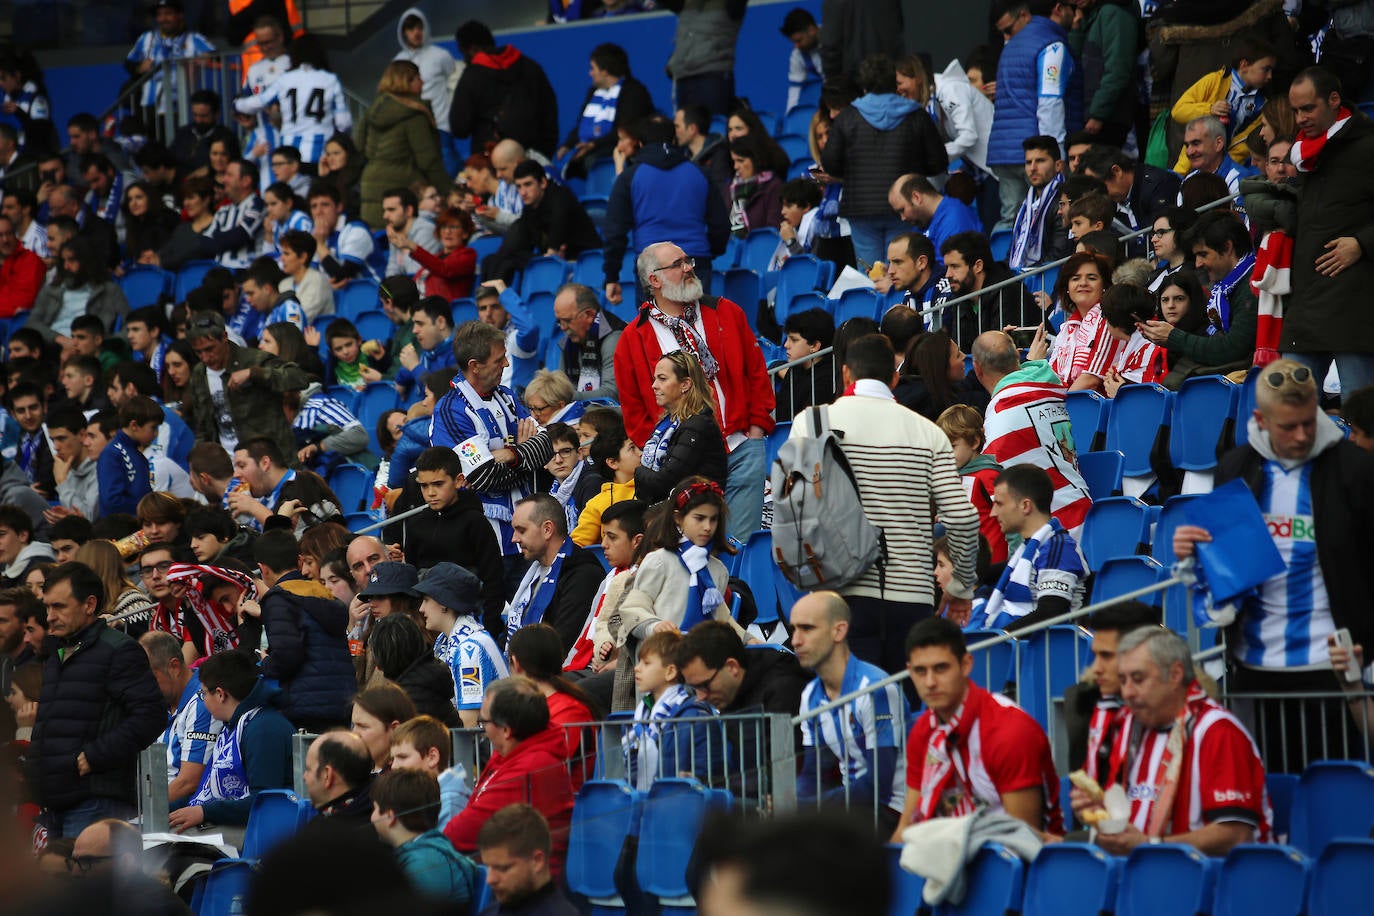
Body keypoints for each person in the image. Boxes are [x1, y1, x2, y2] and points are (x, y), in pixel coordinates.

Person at [1173, 359, 1374, 772]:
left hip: (1331, 668)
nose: (1301, 435)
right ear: (1262, 420)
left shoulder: (1355, 469)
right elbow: (1226, 565)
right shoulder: (1236, 468)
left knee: (1330, 789)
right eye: (1288, 427)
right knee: (1268, 788)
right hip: (1254, 667)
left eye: (1308, 422)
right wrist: (1193, 550)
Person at [790, 334, 980, 666]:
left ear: (846, 374)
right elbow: (962, 518)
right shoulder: (928, 433)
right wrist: (961, 587)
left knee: (852, 696)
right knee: (905, 695)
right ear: (894, 378)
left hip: (839, 594)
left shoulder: (812, 422)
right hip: (912, 596)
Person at [614, 241, 774, 541]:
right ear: (654, 280)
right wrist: (669, 453)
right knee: (697, 549)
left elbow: (757, 374)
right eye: (677, 264)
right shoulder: (632, 339)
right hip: (685, 464)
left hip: (741, 447)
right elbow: (634, 412)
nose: (688, 268)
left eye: (688, 261)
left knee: (740, 546)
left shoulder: (727, 312)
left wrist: (755, 431)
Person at [1071, 627, 1270, 855]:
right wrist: (1099, 813)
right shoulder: (1130, 726)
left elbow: (1236, 835)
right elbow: (1129, 820)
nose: (1127, 693)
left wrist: (1150, 846)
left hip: (1203, 874)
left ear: (1175, 675)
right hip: (1139, 868)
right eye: (1123, 681)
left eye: (1138, 679)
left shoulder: (1218, 732)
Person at [25, 563, 164, 839]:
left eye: (59, 606)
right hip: (55, 800)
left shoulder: (118, 650)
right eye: (47, 607)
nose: (50, 617)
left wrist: (94, 756)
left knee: (87, 869)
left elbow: (151, 715)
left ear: (89, 605)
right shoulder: (58, 653)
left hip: (96, 801)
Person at [893, 616, 1060, 839]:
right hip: (948, 849)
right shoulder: (924, 729)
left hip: (1014, 853)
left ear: (966, 664)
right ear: (909, 671)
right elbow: (907, 826)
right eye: (920, 671)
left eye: (941, 668)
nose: (930, 682)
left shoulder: (1009, 730)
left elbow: (1022, 841)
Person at [430, 321, 557, 597]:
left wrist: (512, 454)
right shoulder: (452, 411)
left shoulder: (507, 397)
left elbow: (548, 444)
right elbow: (484, 477)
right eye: (499, 360)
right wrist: (526, 456)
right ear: (475, 366)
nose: (507, 365)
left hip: (526, 536)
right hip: (488, 546)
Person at [1282, 66, 1374, 394]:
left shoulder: (1368, 146)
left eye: (1308, 108)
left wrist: (1362, 243)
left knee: (1360, 413)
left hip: (1355, 304)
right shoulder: (1305, 155)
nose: (1300, 118)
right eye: (1295, 111)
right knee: (1288, 407)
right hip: (1307, 302)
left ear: (1334, 100)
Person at [793, 591, 907, 832]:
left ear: (839, 631)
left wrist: (815, 807)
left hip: (893, 810)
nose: (795, 640)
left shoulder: (876, 688)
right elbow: (813, 774)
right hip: (850, 810)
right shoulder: (810, 695)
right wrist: (795, 808)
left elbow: (879, 784)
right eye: (794, 629)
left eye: (807, 628)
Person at [821, 55, 948, 268]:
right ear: (894, 81)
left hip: (860, 207)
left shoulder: (848, 116)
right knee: (904, 271)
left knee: (871, 275)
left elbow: (830, 163)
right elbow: (938, 162)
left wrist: (854, 171)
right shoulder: (916, 115)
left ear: (864, 83)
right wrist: (915, 167)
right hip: (905, 206)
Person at [443, 677, 576, 875]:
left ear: (506, 730)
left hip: (523, 883)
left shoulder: (531, 766)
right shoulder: (512, 750)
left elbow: (461, 834)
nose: (483, 730)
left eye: (483, 722)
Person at [603, 113, 731, 308]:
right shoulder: (700, 173)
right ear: (674, 139)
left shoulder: (630, 177)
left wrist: (611, 276)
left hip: (652, 265)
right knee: (698, 323)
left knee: (654, 326)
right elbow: (720, 225)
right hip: (695, 261)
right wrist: (708, 253)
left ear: (639, 144)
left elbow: (615, 231)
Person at [973, 330, 1093, 533]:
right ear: (1017, 356)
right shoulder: (1046, 385)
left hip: (1055, 528)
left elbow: (990, 487)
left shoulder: (1004, 414)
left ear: (977, 369)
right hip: (1083, 510)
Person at [987, 0, 1081, 228]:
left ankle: (1006, 254)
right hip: (1035, 152)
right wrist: (1056, 154)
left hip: (1003, 150)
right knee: (1049, 219)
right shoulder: (1051, 45)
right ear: (1059, 9)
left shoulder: (1011, 46)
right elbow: (1050, 103)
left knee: (1012, 222)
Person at [254, 529, 356, 732]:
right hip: (343, 702)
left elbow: (288, 655)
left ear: (263, 569)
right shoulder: (322, 593)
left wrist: (266, 663)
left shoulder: (279, 599)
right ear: (300, 561)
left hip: (307, 706)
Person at [1138, 210, 1257, 376]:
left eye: (1203, 254)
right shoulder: (1227, 287)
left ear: (1227, 247)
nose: (1198, 264)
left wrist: (1174, 337)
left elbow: (1232, 349)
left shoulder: (1253, 286)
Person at [182, 310, 309, 461]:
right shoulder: (199, 374)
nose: (205, 357)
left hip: (271, 460)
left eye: (210, 349)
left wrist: (254, 373)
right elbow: (203, 427)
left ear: (224, 337)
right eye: (198, 352)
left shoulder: (254, 360)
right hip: (229, 464)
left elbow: (299, 378)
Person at [977, 463, 1088, 632]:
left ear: (1025, 506)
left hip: (1044, 646)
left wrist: (997, 638)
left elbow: (1051, 613)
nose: (993, 513)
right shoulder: (1029, 550)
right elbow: (981, 575)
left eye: (999, 504)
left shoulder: (1059, 548)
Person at [1063, 600, 1159, 779]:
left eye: (1106, 656)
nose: (1096, 668)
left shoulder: (1189, 717)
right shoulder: (1084, 705)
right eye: (1095, 655)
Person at [621, 627, 724, 790]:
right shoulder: (642, 714)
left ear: (670, 672)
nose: (637, 668)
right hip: (647, 802)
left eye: (646, 663)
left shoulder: (694, 716)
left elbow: (708, 773)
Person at [355, 61, 452, 229]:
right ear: (406, 81)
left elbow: (358, 147)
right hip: (403, 187)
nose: (422, 82)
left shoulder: (372, 110)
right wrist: (447, 192)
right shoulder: (414, 115)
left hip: (369, 184)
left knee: (379, 237)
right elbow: (428, 160)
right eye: (418, 78)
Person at [411, 561, 508, 725]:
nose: (421, 608)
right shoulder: (444, 640)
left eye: (426, 600)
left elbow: (469, 723)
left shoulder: (470, 649)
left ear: (444, 603)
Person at [507, 493, 605, 653]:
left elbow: (563, 643)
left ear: (547, 530)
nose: (514, 539)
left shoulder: (584, 575)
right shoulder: (532, 573)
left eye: (521, 530)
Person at [234, 34, 351, 165]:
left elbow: (259, 101)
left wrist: (237, 104)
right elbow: (343, 123)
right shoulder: (330, 79)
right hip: (321, 152)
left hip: (290, 152)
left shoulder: (285, 79)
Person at [449, 19, 558, 158]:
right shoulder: (531, 67)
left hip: (490, 157)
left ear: (472, 50)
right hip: (532, 156)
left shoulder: (472, 75)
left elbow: (460, 127)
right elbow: (549, 114)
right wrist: (543, 153)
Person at [370, 767, 479, 904]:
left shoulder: (424, 863)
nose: (372, 817)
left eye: (375, 809)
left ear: (389, 816)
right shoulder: (426, 852)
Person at [482, 160, 601, 284]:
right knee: (496, 260)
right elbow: (514, 247)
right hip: (555, 262)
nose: (523, 192)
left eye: (528, 184)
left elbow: (555, 242)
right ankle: (492, 293)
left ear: (543, 182)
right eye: (519, 186)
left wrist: (551, 253)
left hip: (585, 261)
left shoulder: (561, 197)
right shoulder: (529, 209)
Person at [635, 350, 729, 506]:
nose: (654, 386)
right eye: (654, 379)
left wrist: (637, 471)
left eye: (662, 379)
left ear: (685, 384)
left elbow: (664, 482)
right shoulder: (667, 422)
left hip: (695, 512)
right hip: (667, 509)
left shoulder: (698, 425)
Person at [140, 629, 221, 805]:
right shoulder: (161, 701)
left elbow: (189, 782)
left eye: (150, 678)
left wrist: (145, 813)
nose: (144, 687)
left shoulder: (202, 703)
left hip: (182, 812)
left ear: (174, 667)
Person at [557, 43, 654, 177]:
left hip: (617, 148)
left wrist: (593, 145)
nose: (590, 73)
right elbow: (581, 124)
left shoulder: (634, 92)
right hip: (593, 147)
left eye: (593, 68)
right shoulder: (593, 91)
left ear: (605, 71)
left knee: (592, 161)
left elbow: (627, 131)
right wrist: (567, 145)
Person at [932, 231, 1038, 352]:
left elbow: (1002, 351)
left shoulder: (1008, 293)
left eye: (955, 266)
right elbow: (961, 351)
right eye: (947, 267)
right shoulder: (960, 298)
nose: (948, 274)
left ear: (978, 266)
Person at [1037, 250, 1122, 389]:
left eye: (1092, 278)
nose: (1083, 283)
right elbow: (1054, 377)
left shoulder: (1109, 318)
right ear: (1067, 288)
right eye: (1075, 278)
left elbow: (1091, 380)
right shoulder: (1067, 328)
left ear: (1104, 286)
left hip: (1096, 400)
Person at [476, 803, 580, 915]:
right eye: (488, 867)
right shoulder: (489, 912)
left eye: (503, 868)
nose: (490, 879)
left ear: (537, 861)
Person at [24, 238, 129, 348]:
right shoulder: (51, 290)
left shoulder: (109, 290)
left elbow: (130, 325)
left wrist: (105, 344)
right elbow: (32, 323)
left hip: (90, 350)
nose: (66, 266)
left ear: (86, 262)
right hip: (53, 346)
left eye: (71, 260)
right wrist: (59, 339)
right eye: (63, 261)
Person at [392, 8, 459, 175]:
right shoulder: (398, 62)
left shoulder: (441, 55)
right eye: (411, 28)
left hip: (440, 124)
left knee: (448, 170)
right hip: (412, 127)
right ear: (403, 32)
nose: (416, 32)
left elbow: (454, 82)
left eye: (419, 27)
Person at [125, 0, 214, 117]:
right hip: (150, 104)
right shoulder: (146, 38)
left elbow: (215, 56)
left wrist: (206, 58)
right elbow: (129, 62)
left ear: (180, 15)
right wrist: (139, 68)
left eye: (168, 13)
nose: (163, 18)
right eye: (159, 15)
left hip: (182, 106)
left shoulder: (193, 39)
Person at [664, 0, 747, 117]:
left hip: (712, 77)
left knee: (712, 126)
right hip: (683, 78)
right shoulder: (689, 3)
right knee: (686, 127)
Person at [389, 714, 471, 825]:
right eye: (392, 759)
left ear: (432, 757)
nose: (394, 766)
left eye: (402, 757)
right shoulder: (422, 795)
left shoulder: (451, 804)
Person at [570, 427, 641, 548]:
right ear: (612, 462)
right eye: (632, 448)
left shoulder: (655, 486)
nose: (641, 453)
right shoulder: (597, 504)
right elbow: (576, 547)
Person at [1008, 135, 1072, 270]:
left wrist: (1025, 275)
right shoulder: (1024, 207)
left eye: (1040, 161)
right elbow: (1012, 254)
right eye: (1028, 162)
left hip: (1045, 276)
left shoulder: (1064, 203)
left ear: (1058, 165)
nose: (1033, 168)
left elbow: (1058, 255)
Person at [555, 282, 625, 403]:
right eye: (559, 321)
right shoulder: (569, 342)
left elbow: (611, 394)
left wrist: (563, 398)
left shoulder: (613, 338)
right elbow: (561, 386)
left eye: (567, 320)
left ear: (589, 315)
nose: (562, 327)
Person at [96, 396, 161, 519]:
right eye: (153, 427)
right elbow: (111, 501)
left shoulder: (135, 453)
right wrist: (146, 508)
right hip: (120, 526)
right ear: (134, 425)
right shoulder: (112, 454)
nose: (156, 433)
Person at [302, 728, 376, 822]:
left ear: (327, 775)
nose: (304, 777)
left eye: (308, 770)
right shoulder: (381, 814)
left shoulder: (322, 829)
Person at [393, 295, 455, 406]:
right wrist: (402, 377)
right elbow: (404, 374)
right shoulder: (428, 353)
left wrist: (415, 367)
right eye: (414, 324)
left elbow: (442, 395)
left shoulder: (460, 354)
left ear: (440, 322)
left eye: (420, 324)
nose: (414, 330)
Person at [405, 207, 476, 303]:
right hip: (420, 306)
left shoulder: (468, 255)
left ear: (465, 233)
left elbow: (445, 269)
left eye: (453, 227)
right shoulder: (436, 257)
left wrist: (414, 247)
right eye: (443, 227)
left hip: (443, 308)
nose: (447, 232)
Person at [0, 213, 43, 318]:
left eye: (9, 233)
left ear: (16, 234)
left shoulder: (30, 261)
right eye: (0, 235)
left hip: (14, 321)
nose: (5, 240)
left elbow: (23, 302)